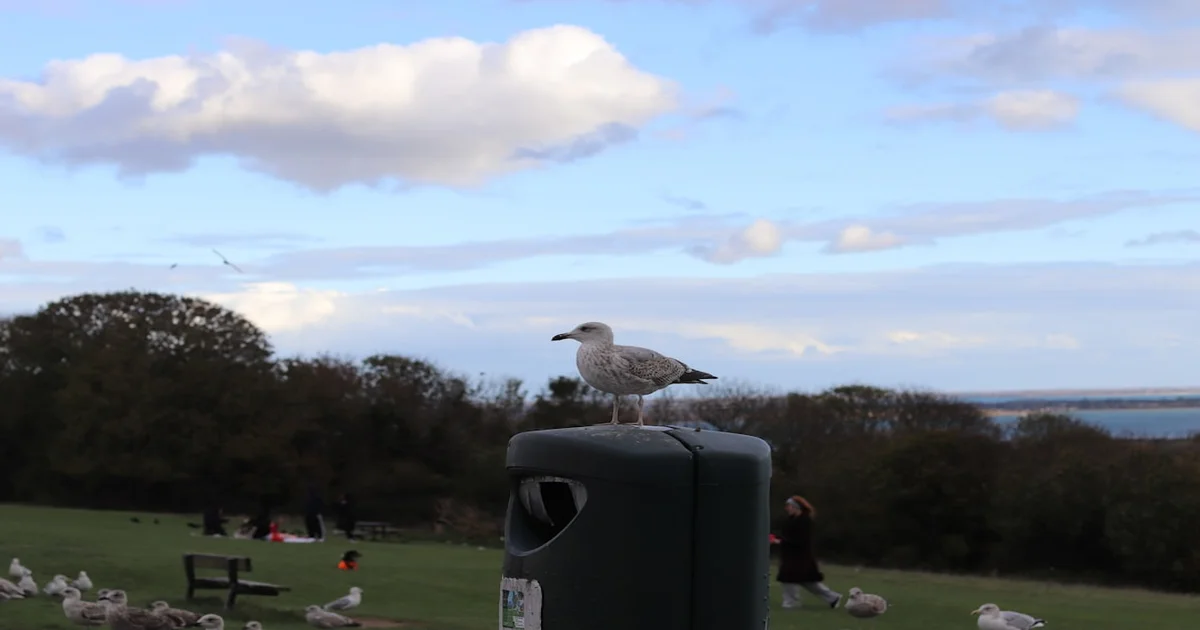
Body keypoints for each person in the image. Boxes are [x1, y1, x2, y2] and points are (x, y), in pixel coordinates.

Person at [771, 495, 842, 610]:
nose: (786, 508)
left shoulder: (805, 521)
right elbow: (787, 536)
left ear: (796, 507)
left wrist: (780, 542)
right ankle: (832, 597)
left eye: (788, 506)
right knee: (806, 581)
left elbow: (800, 540)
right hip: (792, 555)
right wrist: (777, 538)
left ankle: (791, 603)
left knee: (789, 578)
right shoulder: (791, 520)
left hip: (800, 556)